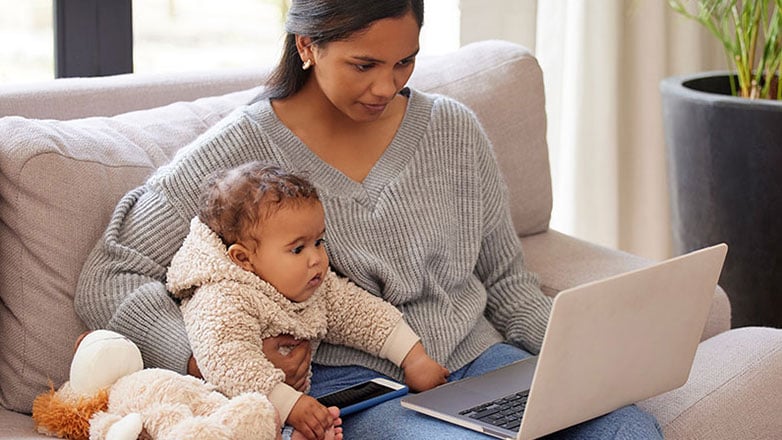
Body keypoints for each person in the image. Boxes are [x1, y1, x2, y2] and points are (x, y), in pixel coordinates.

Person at [75, 0, 663, 438]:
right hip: (356, 392)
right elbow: (111, 274)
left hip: (483, 361)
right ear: (306, 45)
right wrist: (198, 355)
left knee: (631, 429)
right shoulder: (239, 154)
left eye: (405, 61)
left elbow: (507, 283)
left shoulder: (453, 130)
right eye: (364, 65)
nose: (388, 85)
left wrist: (585, 355)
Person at [165, 161, 448, 439]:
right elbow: (231, 364)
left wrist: (414, 358)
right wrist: (292, 406)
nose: (317, 259)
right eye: (298, 249)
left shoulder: (310, 282)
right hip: (230, 404)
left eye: (319, 242)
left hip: (293, 400)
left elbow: (360, 313)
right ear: (244, 258)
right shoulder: (223, 298)